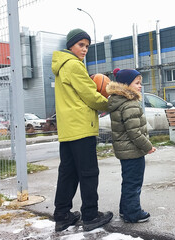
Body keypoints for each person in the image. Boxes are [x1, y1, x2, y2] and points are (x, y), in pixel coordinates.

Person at [51, 28, 113, 232]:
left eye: (87, 46)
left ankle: (62, 215)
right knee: (88, 173)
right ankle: (90, 215)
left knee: (67, 173)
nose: (85, 49)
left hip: (68, 129)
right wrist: (109, 103)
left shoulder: (60, 67)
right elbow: (91, 96)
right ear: (71, 46)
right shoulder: (74, 66)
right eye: (81, 45)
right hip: (82, 128)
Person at [106, 68, 157, 223]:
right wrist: (147, 146)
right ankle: (133, 213)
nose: (140, 86)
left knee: (128, 181)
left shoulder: (118, 102)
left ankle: (125, 209)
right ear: (127, 85)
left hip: (124, 151)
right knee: (134, 183)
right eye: (137, 83)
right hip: (133, 150)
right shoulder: (129, 104)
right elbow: (134, 132)